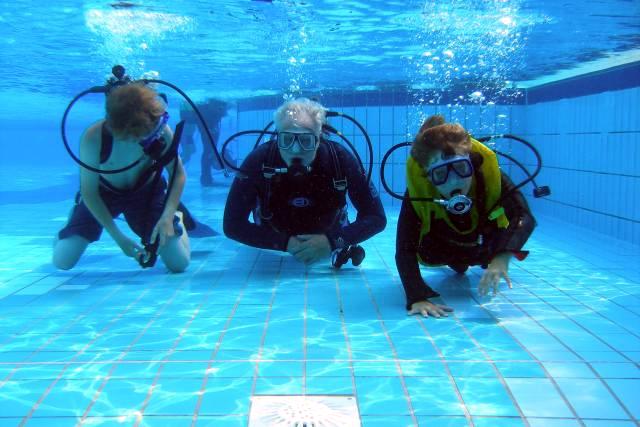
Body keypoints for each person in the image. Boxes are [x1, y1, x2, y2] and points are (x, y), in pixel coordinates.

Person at [396, 115, 535, 318]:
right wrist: (417, 297)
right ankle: (459, 262)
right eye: (440, 174)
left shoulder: (488, 176)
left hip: (481, 243)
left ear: (472, 162)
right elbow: (404, 248)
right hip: (439, 248)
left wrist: (503, 255)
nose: (453, 181)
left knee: (489, 251)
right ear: (429, 177)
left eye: (460, 168)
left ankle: (476, 258)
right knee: (457, 265)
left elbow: (524, 215)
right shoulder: (419, 192)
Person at [223, 98, 386, 267]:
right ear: (278, 138)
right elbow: (232, 224)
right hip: (273, 234)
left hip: (330, 230)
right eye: (287, 140)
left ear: (319, 139)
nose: (295, 150)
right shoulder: (260, 160)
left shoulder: (339, 159)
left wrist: (332, 241)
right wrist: (284, 243)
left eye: (306, 140)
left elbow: (376, 217)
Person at [53, 83, 190, 272]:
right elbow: (89, 192)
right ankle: (72, 219)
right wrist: (119, 238)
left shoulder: (160, 130)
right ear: (114, 127)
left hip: (147, 193)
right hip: (104, 194)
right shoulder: (94, 137)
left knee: (178, 263)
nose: (140, 141)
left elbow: (178, 173)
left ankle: (176, 217)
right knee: (62, 261)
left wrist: (167, 215)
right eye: (133, 137)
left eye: (147, 135)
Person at [179, 98, 229, 186]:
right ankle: (205, 178)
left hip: (191, 128)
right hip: (189, 132)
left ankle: (206, 178)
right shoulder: (204, 111)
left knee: (202, 151)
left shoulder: (203, 111)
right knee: (200, 152)